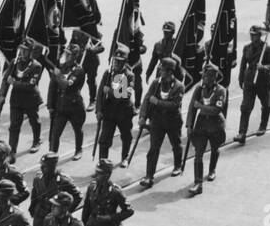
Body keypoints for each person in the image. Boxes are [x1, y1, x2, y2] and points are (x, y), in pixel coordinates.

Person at [138, 56, 185, 188]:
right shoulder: (156, 83)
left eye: (162, 70)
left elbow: (174, 105)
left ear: (170, 72)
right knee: (153, 149)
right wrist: (142, 116)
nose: (160, 71)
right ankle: (149, 176)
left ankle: (177, 165)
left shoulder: (178, 86)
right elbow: (147, 99)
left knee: (176, 144)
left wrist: (157, 102)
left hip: (172, 121)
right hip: (157, 121)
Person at [186, 62, 228, 195]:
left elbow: (217, 109)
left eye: (208, 76)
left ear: (214, 77)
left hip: (216, 125)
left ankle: (212, 170)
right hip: (202, 124)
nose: (205, 78)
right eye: (204, 76)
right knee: (198, 154)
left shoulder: (221, 90)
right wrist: (189, 125)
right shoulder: (199, 89)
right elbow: (192, 108)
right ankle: (198, 183)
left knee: (215, 148)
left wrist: (201, 107)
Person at [233, 25, 270, 143]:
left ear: (259, 36)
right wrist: (241, 79)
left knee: (265, 103)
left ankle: (263, 126)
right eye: (251, 35)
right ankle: (242, 133)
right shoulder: (247, 48)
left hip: (263, 81)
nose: (252, 37)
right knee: (245, 107)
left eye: (255, 35)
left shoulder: (267, 49)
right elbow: (243, 64)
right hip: (249, 81)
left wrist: (264, 67)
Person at [95, 44, 135, 166]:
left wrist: (110, 91)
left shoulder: (129, 75)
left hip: (124, 112)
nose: (117, 63)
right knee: (104, 139)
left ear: (125, 62)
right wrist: (99, 110)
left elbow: (124, 95)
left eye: (120, 61)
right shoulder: (108, 73)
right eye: (116, 61)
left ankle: (125, 157)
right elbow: (100, 92)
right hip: (109, 111)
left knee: (126, 136)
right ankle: (102, 163)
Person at [3, 42, 44, 158]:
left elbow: (30, 85)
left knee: (34, 121)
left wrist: (14, 83)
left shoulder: (36, 66)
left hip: (30, 99)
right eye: (21, 50)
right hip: (16, 99)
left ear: (31, 52)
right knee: (14, 126)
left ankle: (36, 140)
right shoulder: (15, 62)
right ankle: (12, 151)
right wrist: (2, 94)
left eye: (25, 50)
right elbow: (6, 79)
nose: (22, 52)